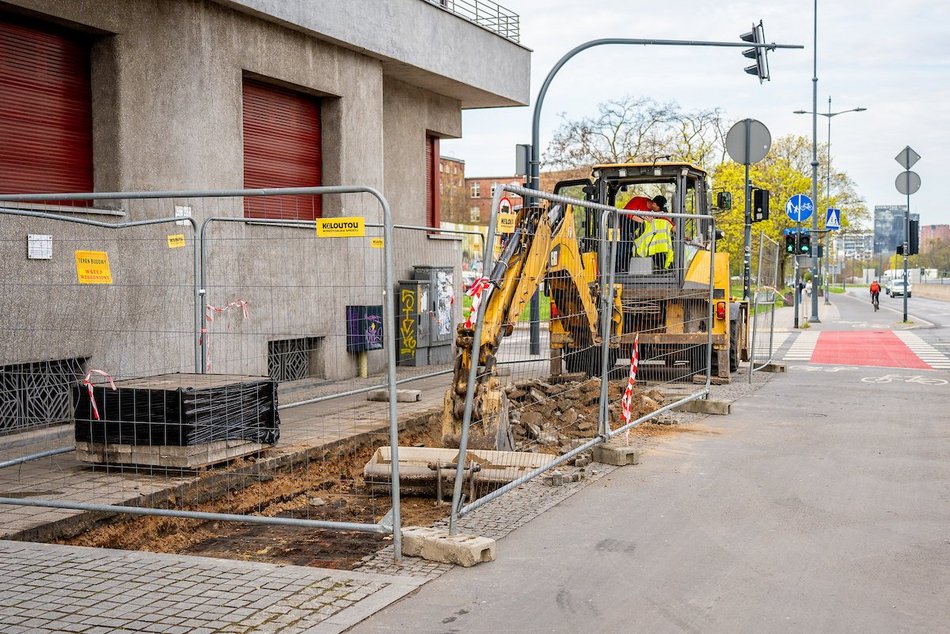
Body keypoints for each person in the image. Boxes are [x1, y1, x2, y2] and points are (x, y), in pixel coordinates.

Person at [632, 195, 674, 270]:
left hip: (652, 245)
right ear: (654, 204)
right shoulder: (639, 203)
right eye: (659, 208)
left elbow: (672, 225)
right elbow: (629, 215)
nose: (659, 211)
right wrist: (645, 221)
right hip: (643, 243)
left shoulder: (657, 215)